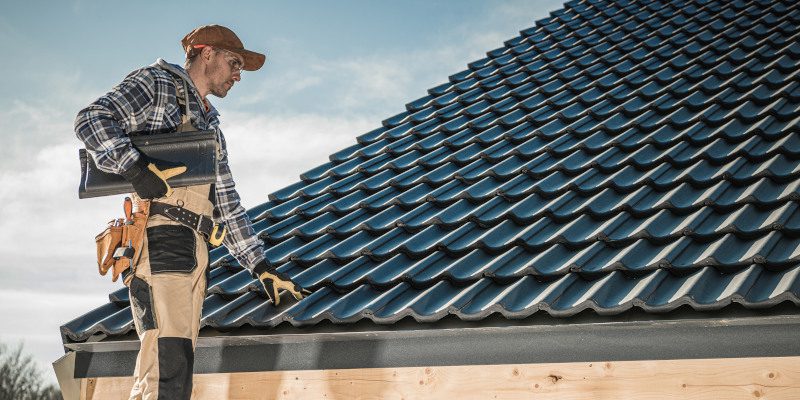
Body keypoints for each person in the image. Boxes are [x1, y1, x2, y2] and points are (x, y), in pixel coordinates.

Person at [74, 24, 308, 399]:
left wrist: (261, 267)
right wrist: (134, 168)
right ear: (206, 52)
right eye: (234, 63)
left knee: (177, 371)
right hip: (162, 240)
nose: (237, 75)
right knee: (164, 370)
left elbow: (227, 205)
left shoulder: (210, 126)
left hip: (194, 249)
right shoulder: (158, 83)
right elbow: (91, 119)